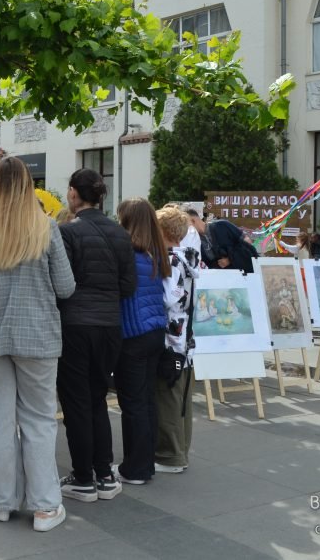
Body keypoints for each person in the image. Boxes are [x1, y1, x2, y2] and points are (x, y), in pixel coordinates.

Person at [0, 157, 75, 531]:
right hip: (37, 336)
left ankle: (1, 502)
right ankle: (44, 507)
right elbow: (66, 287)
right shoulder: (47, 228)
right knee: (39, 419)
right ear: (27, 185)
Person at [56, 168, 137, 504]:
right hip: (109, 327)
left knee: (76, 402)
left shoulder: (67, 232)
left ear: (75, 193)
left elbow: (61, 283)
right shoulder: (120, 233)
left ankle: (83, 477)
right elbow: (128, 285)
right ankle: (105, 472)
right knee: (98, 398)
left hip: (75, 325)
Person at [113, 198, 172, 486]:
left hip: (132, 334)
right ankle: (144, 463)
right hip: (154, 332)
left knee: (133, 404)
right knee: (147, 401)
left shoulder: (127, 254)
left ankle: (134, 468)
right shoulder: (155, 253)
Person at [154, 206, 201, 475]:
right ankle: (181, 449)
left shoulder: (170, 260)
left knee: (168, 396)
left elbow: (169, 298)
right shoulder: (189, 257)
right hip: (186, 339)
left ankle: (170, 456)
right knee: (181, 396)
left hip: (171, 338)